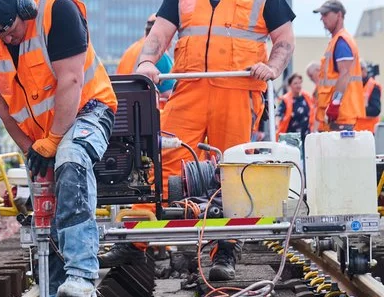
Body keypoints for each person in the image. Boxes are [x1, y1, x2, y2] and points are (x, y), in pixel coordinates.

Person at [99, 0, 296, 282]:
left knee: (233, 173)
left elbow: (284, 37)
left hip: (237, 91)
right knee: (159, 160)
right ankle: (133, 241)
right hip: (190, 88)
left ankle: (225, 251)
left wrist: (273, 67)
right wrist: (145, 62)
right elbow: (160, 32)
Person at [0, 0, 117, 297]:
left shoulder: (58, 11)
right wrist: (29, 148)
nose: (5, 40)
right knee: (45, 204)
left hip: (88, 111)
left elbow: (72, 80)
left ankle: (81, 272)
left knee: (72, 159)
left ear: (23, 8)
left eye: (9, 31)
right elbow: (3, 106)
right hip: (39, 137)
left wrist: (53, 141)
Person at [313, 0, 365, 132]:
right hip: (338, 116)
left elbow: (345, 74)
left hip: (342, 115)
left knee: (339, 152)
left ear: (339, 15)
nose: (322, 18)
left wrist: (335, 104)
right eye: (321, 15)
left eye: (325, 14)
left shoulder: (342, 41)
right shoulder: (337, 41)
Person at [116, 13, 176, 108]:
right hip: (152, 113)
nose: (172, 43)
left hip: (126, 108)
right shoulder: (158, 56)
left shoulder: (132, 50)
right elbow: (169, 92)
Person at [276, 73, 315, 142]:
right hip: (290, 137)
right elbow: (278, 115)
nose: (298, 85)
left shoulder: (307, 97)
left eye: (300, 83)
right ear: (290, 85)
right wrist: (276, 124)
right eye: (295, 83)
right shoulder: (285, 99)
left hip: (306, 136)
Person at [355, 60, 382, 133]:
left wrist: (354, 111)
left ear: (363, 70)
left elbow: (375, 110)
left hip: (369, 131)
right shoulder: (354, 85)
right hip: (355, 131)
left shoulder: (373, 86)